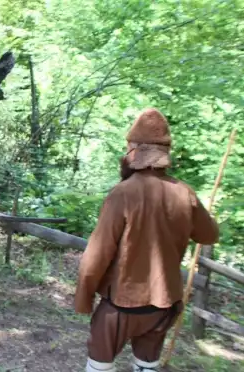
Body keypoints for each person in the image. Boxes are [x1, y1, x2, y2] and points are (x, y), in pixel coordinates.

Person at [74, 108, 220, 372]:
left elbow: (97, 255)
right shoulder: (183, 192)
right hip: (163, 306)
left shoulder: (123, 193)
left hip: (121, 305)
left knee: (99, 366)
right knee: (146, 366)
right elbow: (209, 234)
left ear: (132, 152)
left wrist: (84, 298)